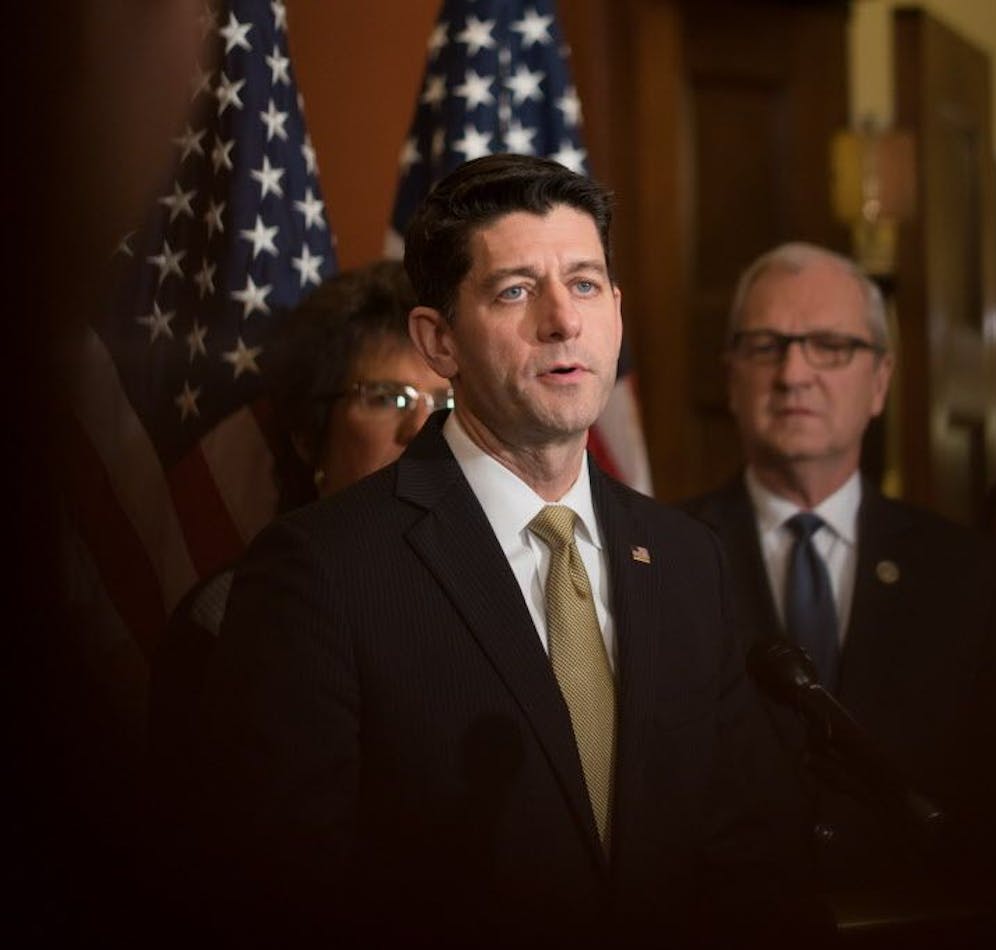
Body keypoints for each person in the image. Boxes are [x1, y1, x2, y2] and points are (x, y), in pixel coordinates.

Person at [197, 155, 823, 947]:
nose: (563, 321)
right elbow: (277, 896)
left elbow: (755, 862)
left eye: (586, 284)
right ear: (439, 340)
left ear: (618, 312)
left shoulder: (686, 557)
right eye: (516, 290)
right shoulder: (322, 569)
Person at [681, 242, 996, 932]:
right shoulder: (661, 559)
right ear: (730, 376)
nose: (794, 372)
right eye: (767, 346)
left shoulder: (970, 575)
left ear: (881, 381)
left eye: (829, 346)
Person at [147, 260, 451, 850]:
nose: (422, 428)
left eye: (445, 403)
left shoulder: (509, 588)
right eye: (388, 396)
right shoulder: (235, 612)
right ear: (310, 436)